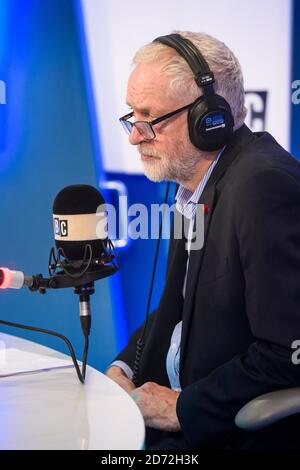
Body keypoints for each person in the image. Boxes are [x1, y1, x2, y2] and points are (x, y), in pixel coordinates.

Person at [106, 31, 300, 450]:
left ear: (210, 118)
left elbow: (289, 351)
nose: (135, 137)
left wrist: (182, 406)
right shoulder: (198, 186)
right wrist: (124, 365)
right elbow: (179, 309)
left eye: (149, 118)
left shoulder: (262, 187)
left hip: (226, 438)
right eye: (131, 116)